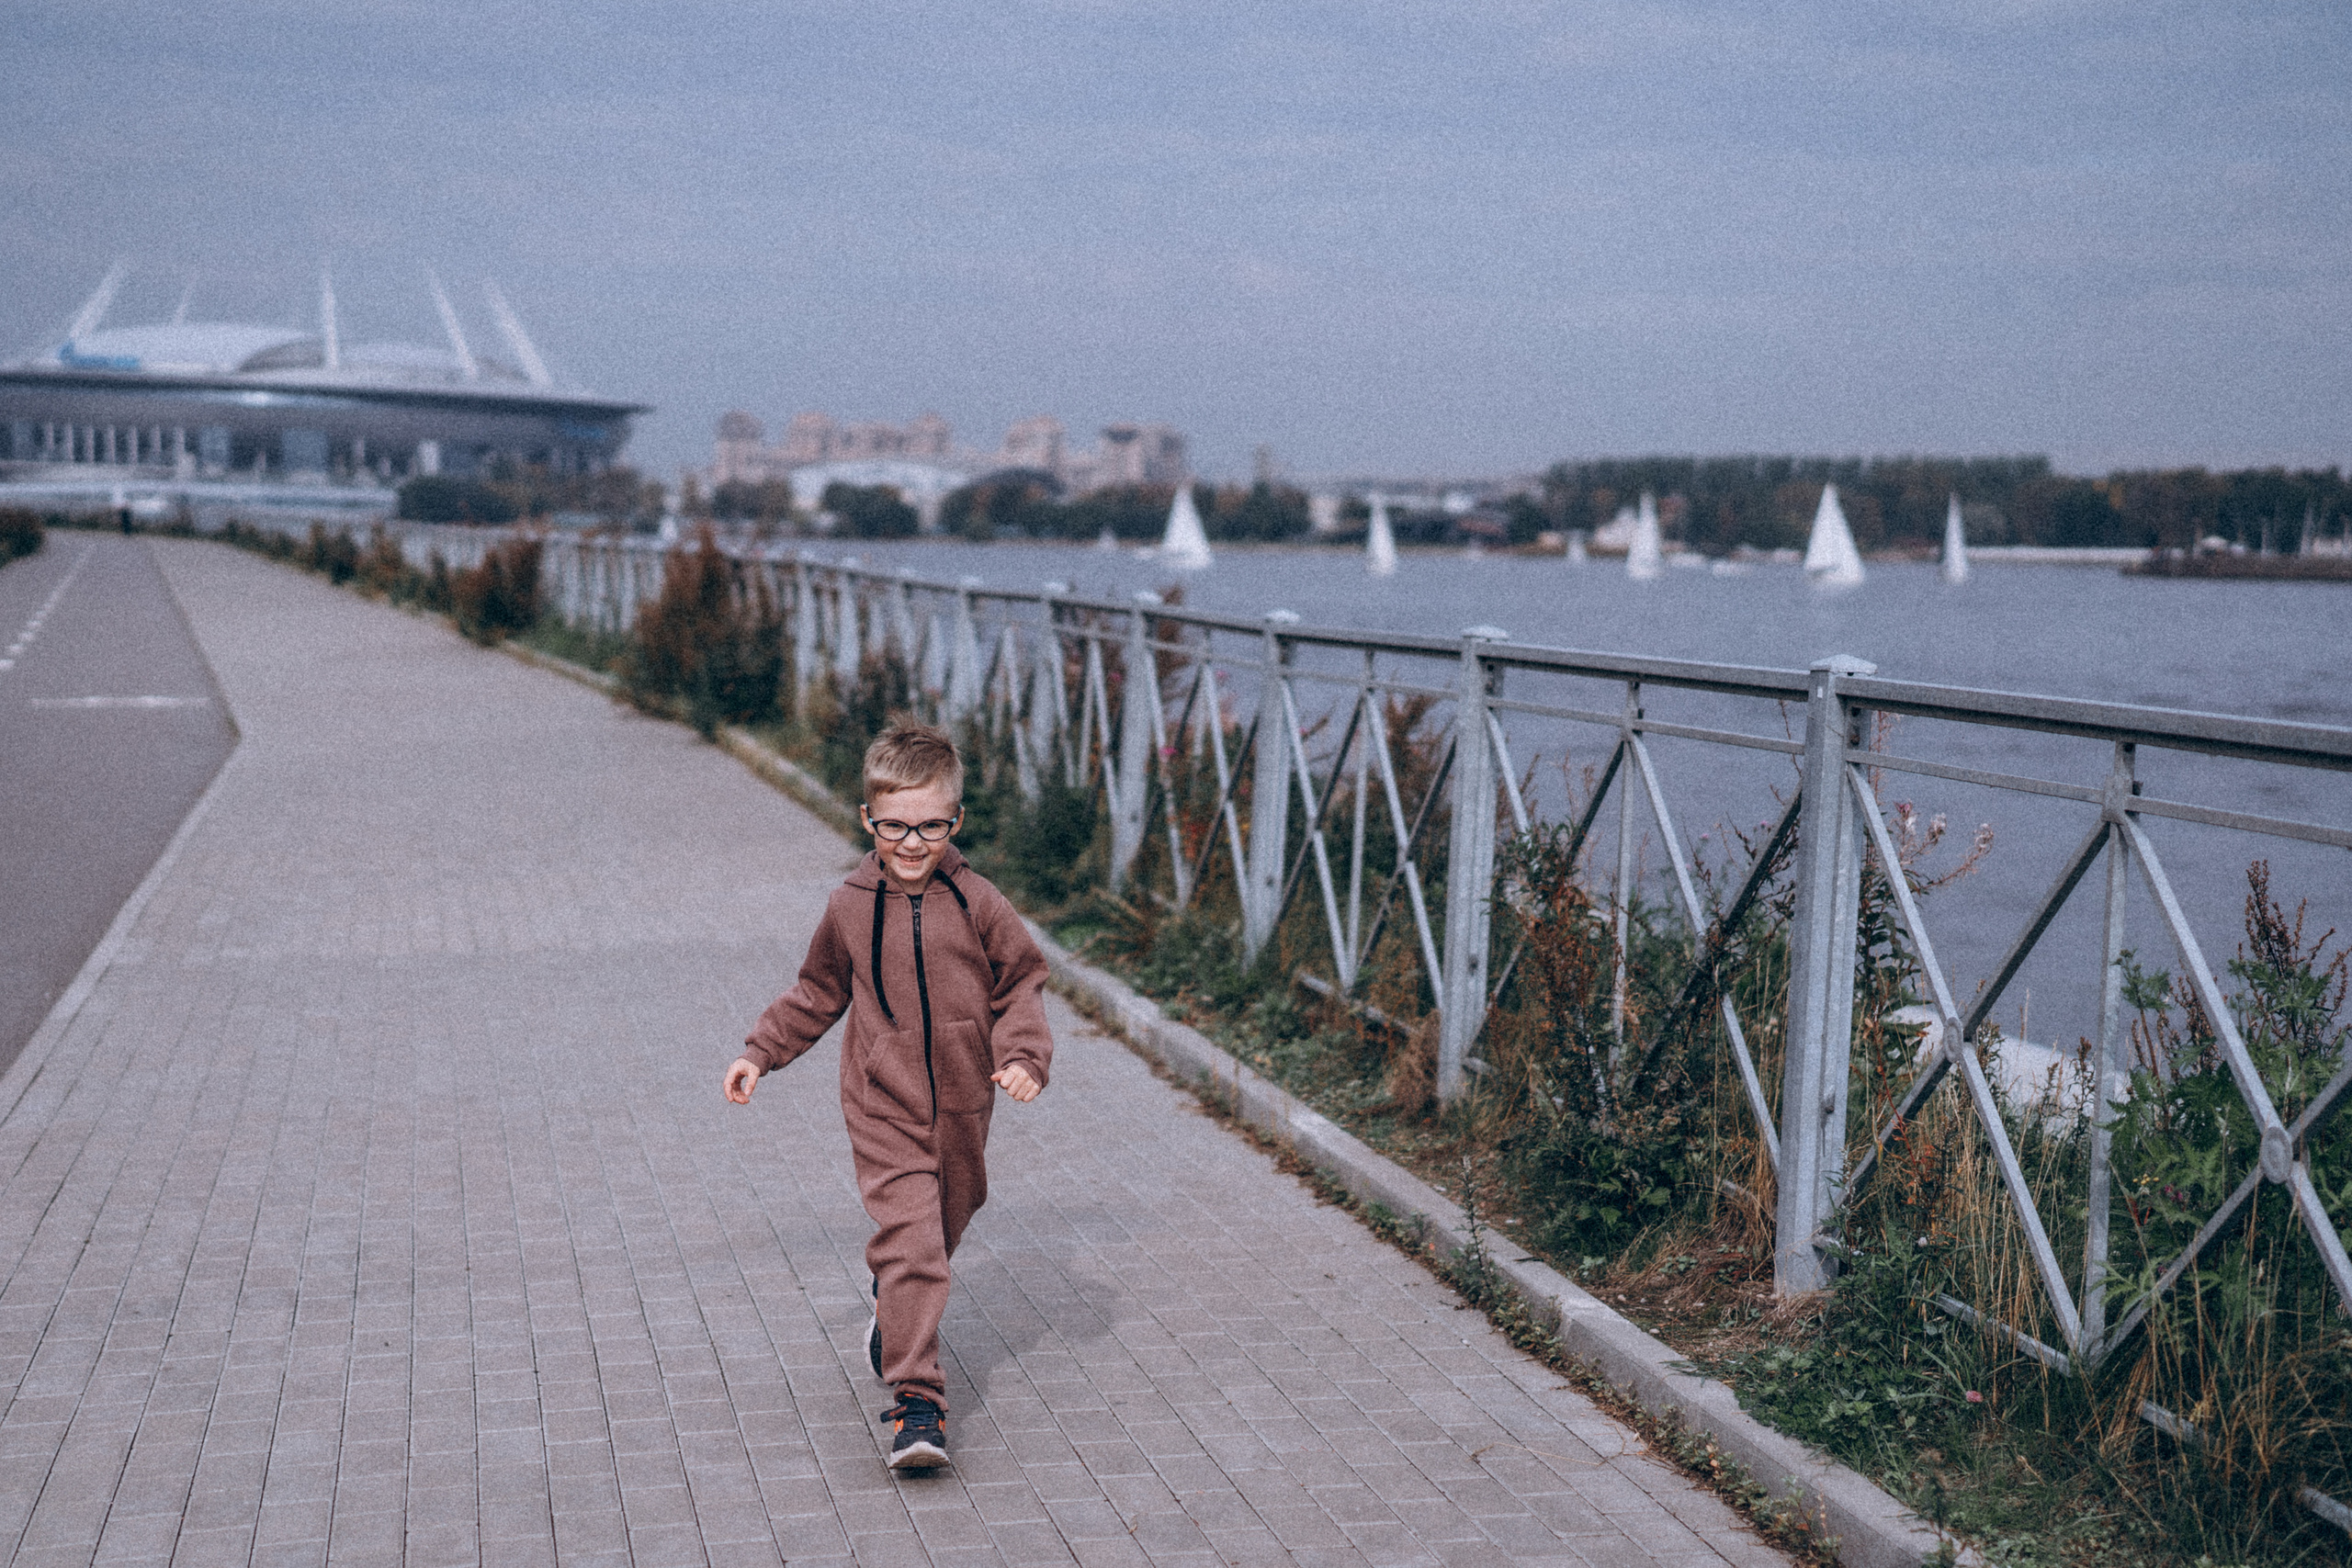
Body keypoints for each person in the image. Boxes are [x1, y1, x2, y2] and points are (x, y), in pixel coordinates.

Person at [724, 722, 1052, 1471]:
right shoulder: (849, 903)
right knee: (916, 1244)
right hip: (881, 1103)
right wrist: (759, 1052)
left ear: (955, 821)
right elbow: (817, 991)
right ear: (868, 818)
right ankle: (918, 1402)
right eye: (894, 825)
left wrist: (1026, 1054)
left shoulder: (978, 903)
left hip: (967, 1104)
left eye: (930, 825)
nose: (911, 842)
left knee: (944, 1223)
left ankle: (892, 1292)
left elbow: (1023, 982)